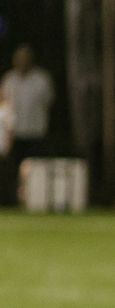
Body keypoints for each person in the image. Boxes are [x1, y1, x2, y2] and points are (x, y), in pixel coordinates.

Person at [2, 44, 54, 201]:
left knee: (36, 170)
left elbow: (49, 103)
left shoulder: (42, 79)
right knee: (12, 171)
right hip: (15, 135)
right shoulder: (9, 80)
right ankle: (12, 200)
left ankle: (36, 199)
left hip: (35, 133)